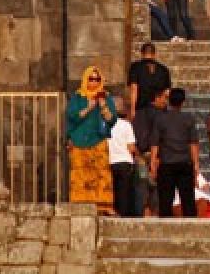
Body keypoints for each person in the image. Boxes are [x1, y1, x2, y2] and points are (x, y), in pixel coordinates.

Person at [66, 65, 118, 213]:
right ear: (85, 80)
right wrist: (89, 107)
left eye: (97, 79)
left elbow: (111, 120)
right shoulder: (77, 97)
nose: (94, 82)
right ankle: (79, 205)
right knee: (80, 174)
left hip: (98, 139)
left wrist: (102, 106)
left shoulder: (106, 97)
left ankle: (103, 205)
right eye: (91, 79)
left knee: (101, 173)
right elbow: (72, 116)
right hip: (79, 140)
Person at [151, 87, 199, 217]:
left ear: (169, 100)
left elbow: (155, 143)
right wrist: (196, 164)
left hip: (166, 163)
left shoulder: (160, 118)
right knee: (188, 199)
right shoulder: (188, 118)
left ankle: (165, 226)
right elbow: (193, 143)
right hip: (184, 162)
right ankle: (191, 226)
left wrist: (153, 163)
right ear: (183, 102)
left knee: (165, 200)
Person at [133, 86, 169, 217]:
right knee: (157, 186)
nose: (166, 101)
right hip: (156, 156)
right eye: (165, 98)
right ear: (157, 98)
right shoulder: (163, 116)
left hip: (140, 156)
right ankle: (153, 212)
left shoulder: (139, 114)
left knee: (142, 184)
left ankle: (144, 212)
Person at [108, 94, 140, 216]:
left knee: (112, 191)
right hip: (125, 163)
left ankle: (113, 212)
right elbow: (131, 147)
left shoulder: (105, 125)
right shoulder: (126, 125)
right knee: (124, 192)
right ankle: (123, 214)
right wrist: (137, 155)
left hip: (110, 161)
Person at [127, 42, 172, 120]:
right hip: (159, 109)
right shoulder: (164, 69)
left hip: (141, 109)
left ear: (142, 53)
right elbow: (167, 92)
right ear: (154, 54)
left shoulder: (135, 67)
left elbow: (134, 88)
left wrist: (132, 110)